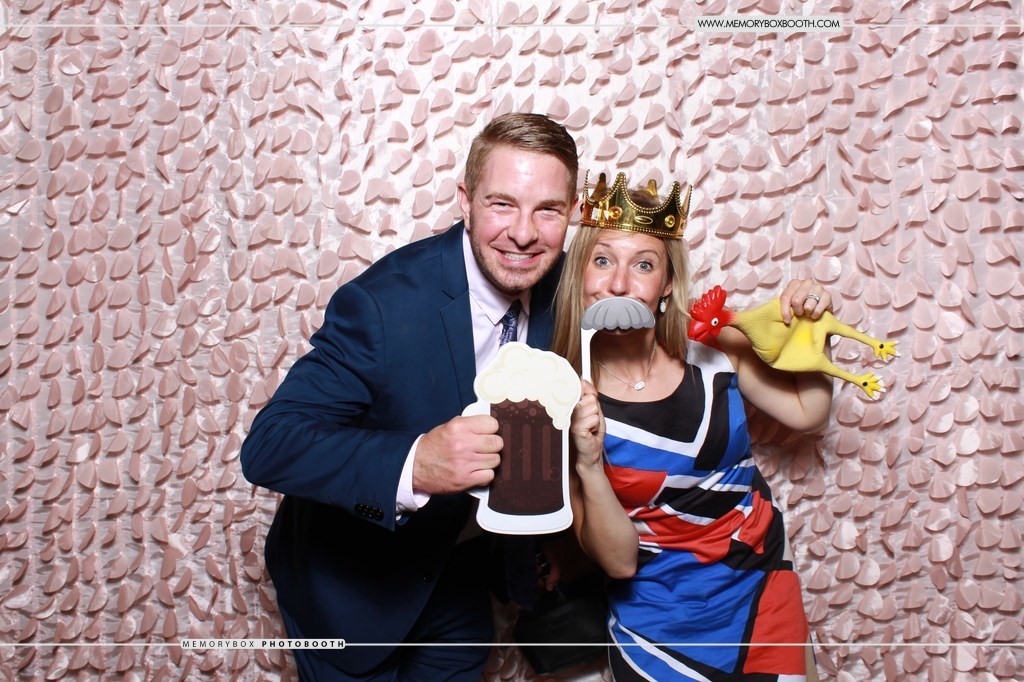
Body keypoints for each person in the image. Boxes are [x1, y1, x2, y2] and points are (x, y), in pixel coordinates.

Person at [240, 113, 580, 681]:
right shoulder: (382, 305)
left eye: (547, 210)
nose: (524, 233)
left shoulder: (567, 290)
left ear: (572, 212)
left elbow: (646, 309)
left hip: (460, 574)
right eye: (502, 204)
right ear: (465, 201)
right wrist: (415, 463)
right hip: (351, 587)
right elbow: (270, 446)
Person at [550, 171, 833, 681]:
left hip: (761, 597)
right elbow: (619, 562)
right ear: (581, 275)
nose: (619, 283)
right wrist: (588, 463)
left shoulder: (713, 345)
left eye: (643, 264)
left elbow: (807, 414)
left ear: (667, 285)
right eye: (603, 260)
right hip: (657, 625)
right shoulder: (561, 398)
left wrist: (813, 334)